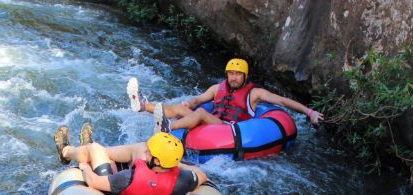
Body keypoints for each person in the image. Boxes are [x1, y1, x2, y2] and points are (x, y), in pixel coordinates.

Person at [128, 58, 323, 132]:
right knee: (182, 107)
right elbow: (199, 99)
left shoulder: (255, 94)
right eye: (231, 73)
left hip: (229, 129)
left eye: (238, 74)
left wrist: (309, 112)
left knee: (202, 114)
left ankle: (167, 127)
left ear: (245, 76)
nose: (234, 77)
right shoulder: (217, 88)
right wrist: (190, 102)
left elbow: (281, 100)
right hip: (214, 122)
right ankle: (144, 106)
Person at [54, 126, 208, 195]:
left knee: (94, 149)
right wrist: (176, 164)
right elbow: (202, 175)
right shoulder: (184, 180)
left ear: (158, 161)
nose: (147, 152)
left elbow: (93, 182)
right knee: (139, 148)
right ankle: (92, 151)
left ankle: (67, 152)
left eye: (150, 152)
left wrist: (84, 167)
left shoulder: (128, 177)